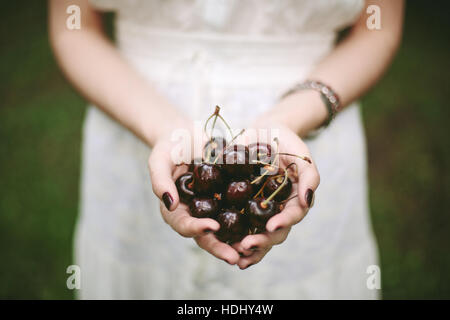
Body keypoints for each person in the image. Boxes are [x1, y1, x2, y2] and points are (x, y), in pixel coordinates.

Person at [49, 0, 404, 299]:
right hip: (133, 114)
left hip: (304, 129)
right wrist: (162, 127)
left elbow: (378, 28)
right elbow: (73, 25)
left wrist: (292, 117)